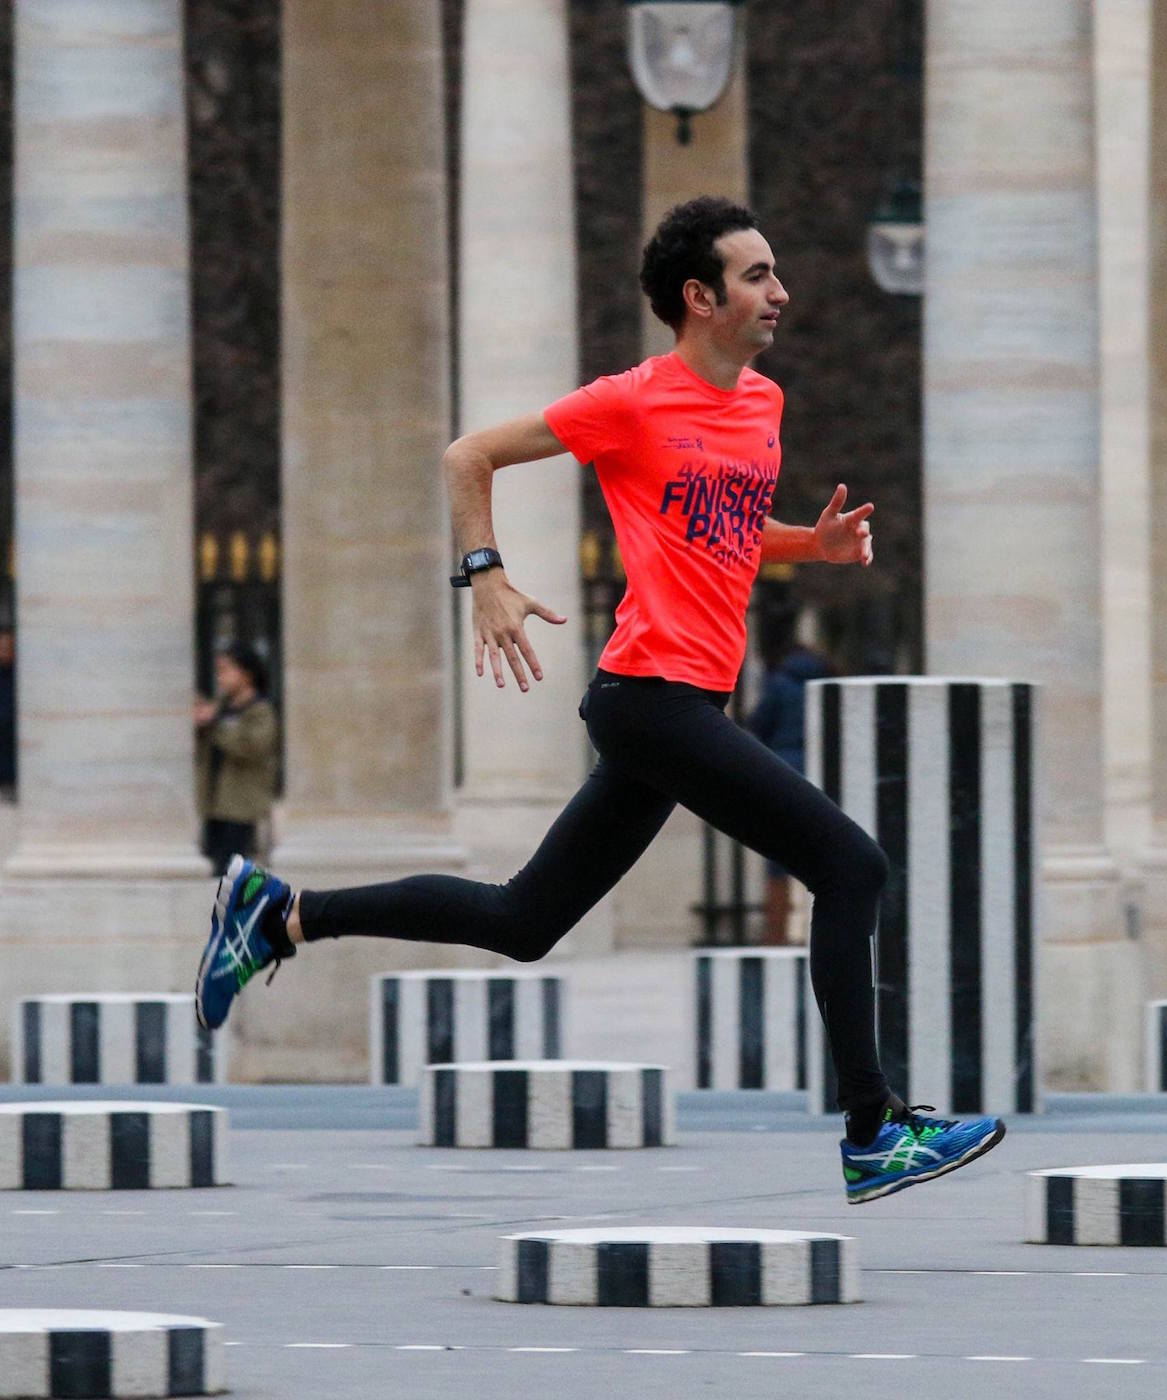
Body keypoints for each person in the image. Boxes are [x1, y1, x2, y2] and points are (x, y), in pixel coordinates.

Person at [195, 196, 1004, 1203]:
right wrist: (483, 573)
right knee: (850, 864)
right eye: (757, 275)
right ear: (697, 297)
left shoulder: (761, 404)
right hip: (648, 698)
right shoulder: (629, 399)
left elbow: (723, 527)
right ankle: (873, 1127)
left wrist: (811, 544)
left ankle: (279, 915)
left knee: (524, 918)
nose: (780, 292)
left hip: (682, 706)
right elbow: (467, 455)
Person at [747, 638, 833, 944]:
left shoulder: (780, 684)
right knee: (823, 852)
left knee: (778, 853)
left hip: (782, 769)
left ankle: (777, 932)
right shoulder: (828, 685)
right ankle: (818, 930)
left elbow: (758, 724)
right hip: (821, 770)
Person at [195, 642, 278, 874]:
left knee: (232, 874)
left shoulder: (260, 710)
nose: (220, 678)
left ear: (246, 674)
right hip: (214, 805)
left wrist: (214, 724)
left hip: (241, 809)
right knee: (214, 869)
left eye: (225, 670)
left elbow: (252, 747)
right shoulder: (221, 708)